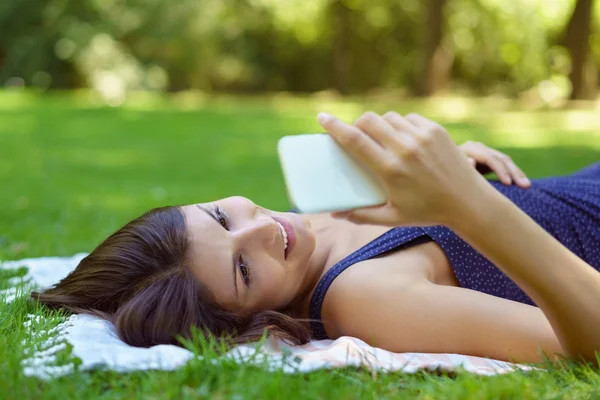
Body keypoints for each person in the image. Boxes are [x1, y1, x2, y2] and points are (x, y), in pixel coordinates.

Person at [33, 111, 600, 364]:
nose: (262, 229)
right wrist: (467, 204)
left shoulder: (321, 208)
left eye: (221, 217)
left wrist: (457, 174)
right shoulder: (362, 297)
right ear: (251, 322)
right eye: (244, 270)